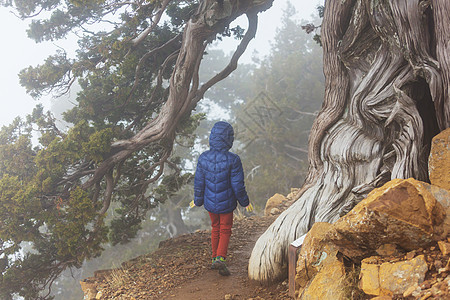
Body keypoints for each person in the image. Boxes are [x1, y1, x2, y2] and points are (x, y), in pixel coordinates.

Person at [191, 121, 252, 276]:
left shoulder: (203, 158)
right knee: (225, 229)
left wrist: (197, 200)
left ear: (212, 137)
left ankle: (214, 258)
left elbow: (199, 182)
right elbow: (238, 185)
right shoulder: (233, 159)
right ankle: (220, 258)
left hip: (210, 203)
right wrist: (245, 202)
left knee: (215, 228)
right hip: (227, 203)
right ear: (228, 139)